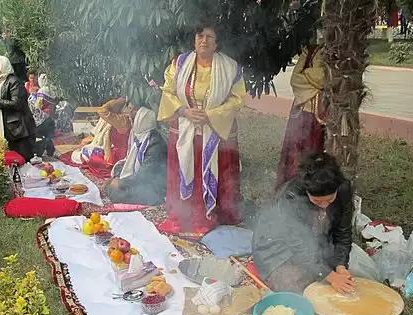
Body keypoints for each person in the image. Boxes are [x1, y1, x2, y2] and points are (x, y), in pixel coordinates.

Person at [157, 22, 246, 235]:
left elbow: (237, 99)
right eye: (200, 36)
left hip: (215, 130)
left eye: (209, 37)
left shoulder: (230, 67)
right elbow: (167, 92)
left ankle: (215, 213)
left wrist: (211, 115)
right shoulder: (179, 64)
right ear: (194, 40)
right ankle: (184, 214)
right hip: (185, 127)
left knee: (216, 168)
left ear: (217, 43)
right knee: (187, 166)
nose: (204, 41)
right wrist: (184, 111)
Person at [253, 152, 355, 295]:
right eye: (317, 201)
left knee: (343, 279)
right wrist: (329, 275)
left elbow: (343, 232)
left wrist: (341, 266)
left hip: (316, 241)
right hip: (279, 247)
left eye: (330, 200)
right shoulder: (290, 197)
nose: (324, 206)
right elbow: (297, 244)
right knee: (300, 288)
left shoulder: (344, 189)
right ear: (307, 192)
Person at [276, 42, 326, 190]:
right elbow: (296, 80)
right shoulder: (310, 51)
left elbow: (331, 80)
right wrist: (320, 85)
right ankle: (292, 190)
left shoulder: (341, 53)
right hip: (302, 115)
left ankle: (317, 193)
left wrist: (308, 73)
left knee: (319, 156)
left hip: (324, 118)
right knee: (295, 157)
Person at [106, 107, 167, 206]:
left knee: (116, 192)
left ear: (140, 121)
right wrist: (117, 177)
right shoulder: (140, 137)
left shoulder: (156, 143)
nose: (131, 124)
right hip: (138, 182)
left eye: (132, 121)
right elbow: (126, 161)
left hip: (154, 188)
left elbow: (144, 175)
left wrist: (121, 183)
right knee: (110, 184)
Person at [0, 56, 36, 162]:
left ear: (2, 66)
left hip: (18, 128)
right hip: (10, 126)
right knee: (15, 159)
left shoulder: (14, 82)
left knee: (23, 158)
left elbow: (17, 103)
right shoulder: (1, 81)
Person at [70, 97, 132, 178]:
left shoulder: (123, 119)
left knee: (92, 159)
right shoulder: (123, 117)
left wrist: (116, 102)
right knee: (88, 151)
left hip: (119, 157)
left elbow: (102, 110)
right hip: (118, 152)